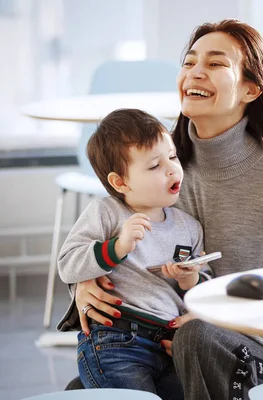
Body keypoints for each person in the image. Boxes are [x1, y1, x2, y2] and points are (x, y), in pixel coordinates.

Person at [59, 19, 263, 399]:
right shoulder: (159, 166)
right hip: (173, 346)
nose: (195, 73)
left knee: (198, 336)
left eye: (216, 64)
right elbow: (107, 232)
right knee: (89, 382)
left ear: (251, 89)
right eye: (189, 63)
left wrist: (224, 323)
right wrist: (84, 282)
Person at [58, 108, 212, 399]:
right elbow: (68, 263)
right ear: (121, 182)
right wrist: (117, 247)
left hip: (168, 346)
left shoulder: (189, 227)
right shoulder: (106, 212)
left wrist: (191, 279)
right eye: (154, 166)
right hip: (116, 341)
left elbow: (205, 286)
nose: (171, 169)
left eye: (173, 157)